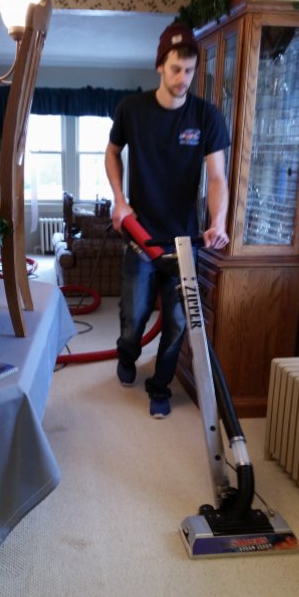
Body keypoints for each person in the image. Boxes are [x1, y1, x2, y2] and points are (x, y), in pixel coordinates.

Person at [105, 23, 230, 419]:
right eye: (176, 69)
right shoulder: (132, 110)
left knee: (177, 323)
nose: (183, 78)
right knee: (134, 316)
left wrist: (218, 221)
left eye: (190, 71)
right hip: (140, 236)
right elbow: (112, 153)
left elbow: (217, 177)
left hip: (184, 242)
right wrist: (120, 201)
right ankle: (128, 354)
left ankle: (159, 386)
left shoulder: (206, 116)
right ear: (160, 65)